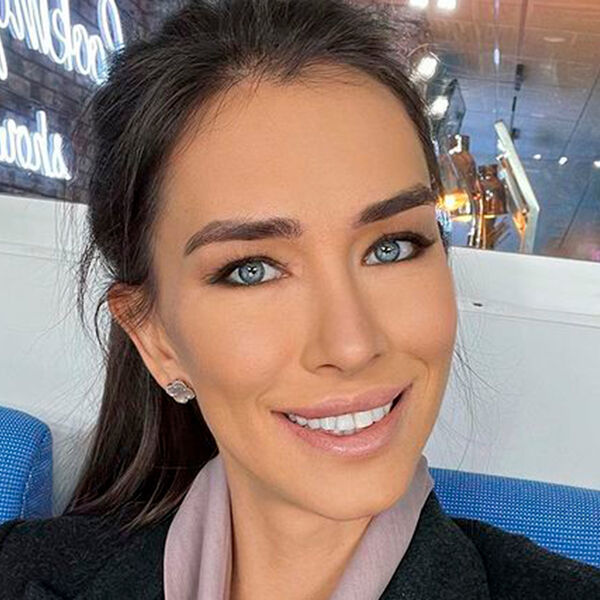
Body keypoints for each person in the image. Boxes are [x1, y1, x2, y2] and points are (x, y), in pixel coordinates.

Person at [1, 0, 599, 598]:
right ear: (155, 338)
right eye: (252, 271)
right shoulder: (21, 569)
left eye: (391, 247)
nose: (352, 345)